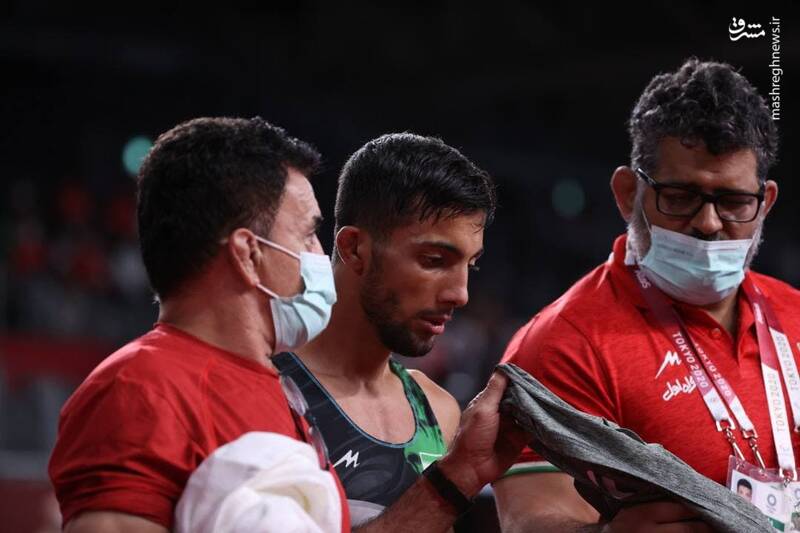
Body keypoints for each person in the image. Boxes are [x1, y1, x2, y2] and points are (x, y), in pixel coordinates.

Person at [49, 116, 527, 532]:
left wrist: (458, 477)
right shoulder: (139, 387)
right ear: (248, 252)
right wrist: (453, 481)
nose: (320, 256)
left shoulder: (266, 394)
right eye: (307, 234)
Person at [494, 58, 798, 532]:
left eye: (734, 202)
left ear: (766, 203)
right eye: (680, 197)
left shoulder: (794, 313)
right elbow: (529, 519)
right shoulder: (563, 344)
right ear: (627, 193)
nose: (708, 223)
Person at [273, 133, 493, 525]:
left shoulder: (439, 411)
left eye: (470, 266)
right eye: (434, 260)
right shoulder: (268, 389)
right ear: (355, 248)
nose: (460, 294)